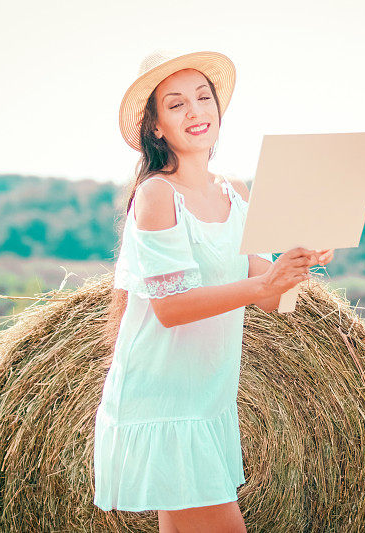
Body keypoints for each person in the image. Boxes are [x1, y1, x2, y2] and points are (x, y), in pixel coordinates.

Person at [93, 49, 334, 533]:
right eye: (177, 104)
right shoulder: (159, 194)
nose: (196, 111)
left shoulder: (236, 192)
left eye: (204, 98)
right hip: (164, 403)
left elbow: (270, 300)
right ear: (156, 126)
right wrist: (264, 280)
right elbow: (170, 309)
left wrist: (298, 264)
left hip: (207, 401)